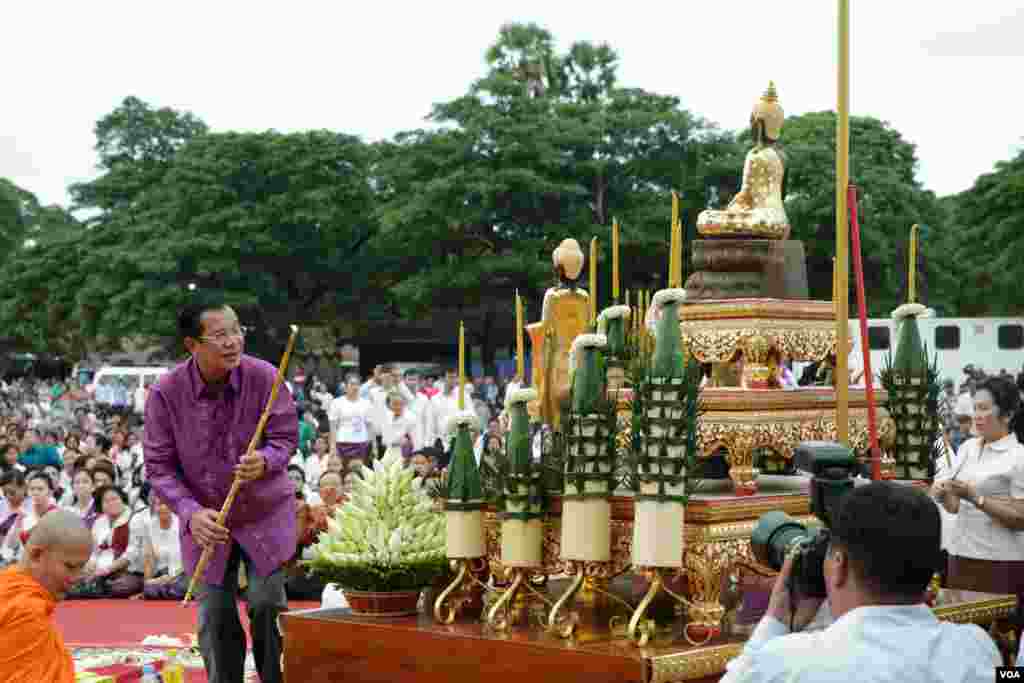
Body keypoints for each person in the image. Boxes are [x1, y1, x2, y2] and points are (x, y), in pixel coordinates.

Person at [145, 301, 298, 683]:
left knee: (266, 605)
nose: (233, 342)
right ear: (191, 345)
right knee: (214, 616)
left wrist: (265, 460)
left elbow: (285, 438)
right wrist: (189, 511)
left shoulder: (265, 376)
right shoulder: (166, 392)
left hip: (264, 512)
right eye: (220, 335)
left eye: (236, 330)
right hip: (204, 519)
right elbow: (159, 467)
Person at [721, 481, 1001, 682]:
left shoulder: (790, 663)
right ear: (933, 568)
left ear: (839, 566)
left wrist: (776, 620)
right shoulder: (974, 648)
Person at [932, 375, 1024, 599]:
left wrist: (977, 499)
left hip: (999, 561)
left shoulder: (1019, 456)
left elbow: (1020, 519)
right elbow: (955, 507)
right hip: (960, 554)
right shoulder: (967, 448)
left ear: (1008, 414)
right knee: (959, 628)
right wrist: (942, 494)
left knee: (997, 631)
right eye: (975, 408)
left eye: (984, 408)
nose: (976, 416)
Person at [0, 509, 92, 683]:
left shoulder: (6, 582)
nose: (76, 578)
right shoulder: (25, 610)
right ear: (36, 555)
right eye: (70, 567)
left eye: (82, 568)